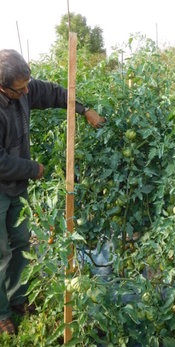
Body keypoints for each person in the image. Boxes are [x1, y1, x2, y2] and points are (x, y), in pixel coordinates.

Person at [0, 49, 105, 334]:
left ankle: (18, 299)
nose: (26, 92)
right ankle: (1, 314)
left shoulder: (24, 90)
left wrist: (84, 109)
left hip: (17, 187)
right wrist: (33, 169)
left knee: (21, 244)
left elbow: (55, 93)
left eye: (27, 86)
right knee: (0, 252)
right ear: (2, 86)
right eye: (19, 89)